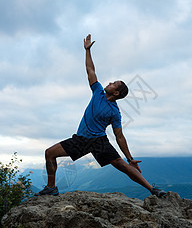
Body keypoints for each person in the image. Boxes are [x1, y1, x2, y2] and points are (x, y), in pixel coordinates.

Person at [35, 34, 166, 198]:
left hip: (99, 142)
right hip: (81, 140)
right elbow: (90, 70)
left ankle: (152, 189)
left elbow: (119, 136)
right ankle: (51, 188)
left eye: (113, 84)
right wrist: (87, 51)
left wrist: (130, 158)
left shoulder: (115, 112)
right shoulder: (97, 91)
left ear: (116, 92)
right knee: (49, 153)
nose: (110, 82)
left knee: (123, 165)